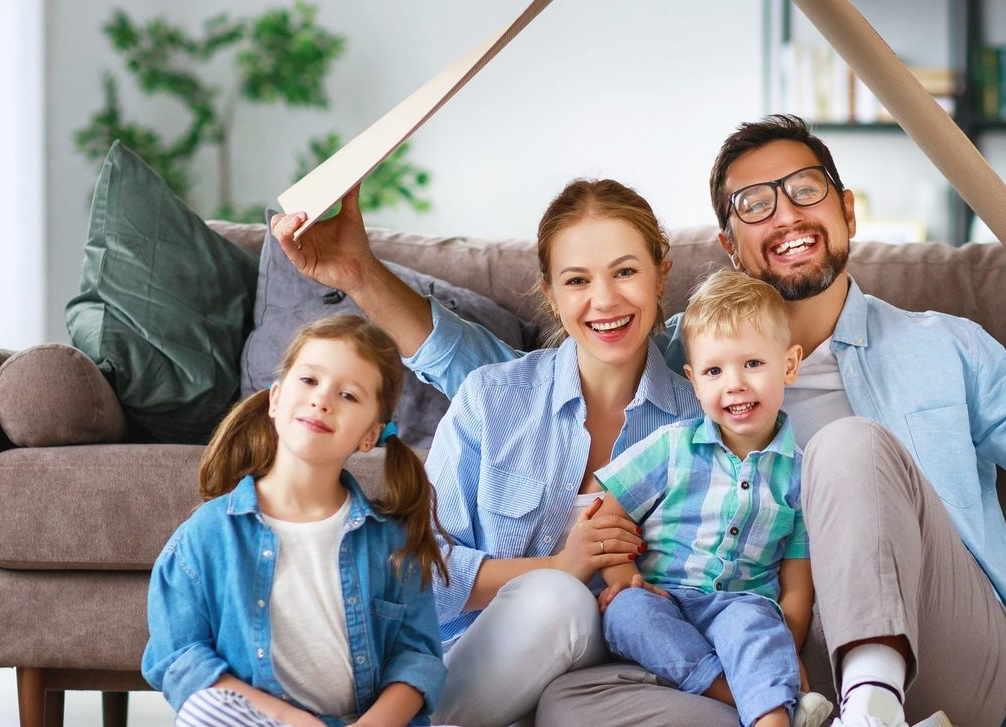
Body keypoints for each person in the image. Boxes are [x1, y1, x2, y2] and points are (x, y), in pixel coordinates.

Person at [272, 114, 1006, 727]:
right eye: (755, 205)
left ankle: (872, 699)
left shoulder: (943, 345)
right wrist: (359, 272)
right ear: (726, 247)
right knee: (574, 699)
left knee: (847, 448)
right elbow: (518, 386)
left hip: (937, 653)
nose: (785, 215)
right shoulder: (689, 360)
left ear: (847, 209)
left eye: (804, 191)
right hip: (758, 662)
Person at [272, 178, 704, 726]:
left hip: (611, 671)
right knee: (555, 595)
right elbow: (427, 570)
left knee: (565, 605)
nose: (605, 300)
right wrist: (558, 566)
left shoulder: (700, 420)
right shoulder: (493, 396)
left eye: (625, 271)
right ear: (550, 294)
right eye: (577, 280)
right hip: (469, 661)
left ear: (661, 272)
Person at [142, 315, 447, 727]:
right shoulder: (207, 536)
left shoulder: (391, 539)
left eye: (348, 395)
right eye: (309, 381)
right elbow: (179, 659)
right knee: (201, 710)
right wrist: (292, 720)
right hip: (262, 720)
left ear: (369, 437)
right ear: (275, 399)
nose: (322, 400)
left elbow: (418, 659)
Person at [591, 271, 835, 727]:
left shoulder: (803, 475)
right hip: (665, 597)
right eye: (714, 371)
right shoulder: (671, 447)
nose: (735, 384)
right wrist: (626, 577)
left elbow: (798, 585)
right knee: (626, 612)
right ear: (694, 381)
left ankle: (770, 716)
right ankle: (747, 695)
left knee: (758, 628)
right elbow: (608, 510)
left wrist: (787, 647)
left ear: (790, 363)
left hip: (741, 606)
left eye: (754, 364)